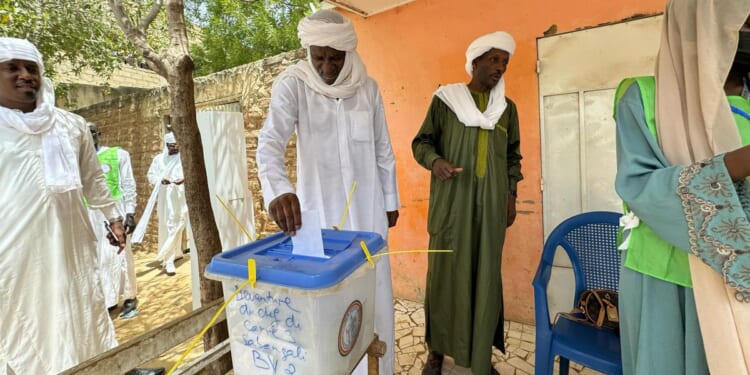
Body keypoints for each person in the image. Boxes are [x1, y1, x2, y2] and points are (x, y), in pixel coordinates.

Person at [256, 9, 400, 375]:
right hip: (321, 215)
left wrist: (389, 201)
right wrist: (278, 190)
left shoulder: (368, 88)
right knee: (329, 304)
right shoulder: (294, 83)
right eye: (319, 57)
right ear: (309, 52)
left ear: (348, 54)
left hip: (368, 213)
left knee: (374, 294)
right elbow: (270, 143)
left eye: (335, 58)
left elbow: (383, 148)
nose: (327, 66)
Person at [614, 1, 750, 374]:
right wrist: (740, 163)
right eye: (742, 19)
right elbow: (638, 187)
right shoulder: (642, 97)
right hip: (668, 278)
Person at [0, 37, 127, 374]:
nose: (24, 75)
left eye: (31, 68)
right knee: (26, 326)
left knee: (81, 311)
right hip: (14, 253)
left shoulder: (71, 125)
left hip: (72, 243)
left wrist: (113, 217)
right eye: (12, 67)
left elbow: (93, 178)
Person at [411, 31, 523, 375]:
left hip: (490, 208)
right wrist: (435, 162)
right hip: (452, 204)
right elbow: (421, 143)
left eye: (504, 62)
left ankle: (479, 355)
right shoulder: (445, 101)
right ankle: (437, 352)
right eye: (493, 60)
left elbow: (512, 158)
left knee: (484, 275)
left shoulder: (506, 109)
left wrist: (511, 195)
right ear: (475, 62)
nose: (500, 68)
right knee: (446, 276)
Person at [88, 123, 140, 318]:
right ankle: (108, 298)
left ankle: (129, 296)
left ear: (98, 134)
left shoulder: (118, 155)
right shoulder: (78, 160)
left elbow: (128, 184)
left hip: (114, 211)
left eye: (92, 132)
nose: (89, 136)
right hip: (90, 213)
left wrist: (130, 212)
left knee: (122, 254)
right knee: (99, 257)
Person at [134, 132, 187, 276]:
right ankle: (168, 260)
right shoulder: (159, 159)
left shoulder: (183, 158)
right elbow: (151, 176)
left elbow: (188, 174)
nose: (175, 148)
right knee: (169, 225)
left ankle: (176, 253)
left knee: (179, 225)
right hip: (166, 197)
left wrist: (182, 180)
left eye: (176, 145)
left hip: (180, 196)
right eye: (171, 145)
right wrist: (161, 180)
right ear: (167, 145)